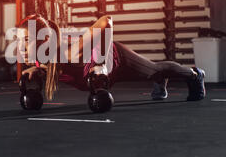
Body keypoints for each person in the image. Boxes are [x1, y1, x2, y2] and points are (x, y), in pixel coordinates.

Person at [18, 14, 205, 103]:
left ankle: (195, 74)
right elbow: (53, 67)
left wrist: (100, 63)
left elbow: (106, 21)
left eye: (26, 40)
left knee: (154, 70)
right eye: (18, 41)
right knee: (153, 73)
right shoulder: (42, 58)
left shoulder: (72, 52)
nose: (21, 48)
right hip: (103, 74)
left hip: (116, 60)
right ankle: (160, 79)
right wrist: (38, 70)